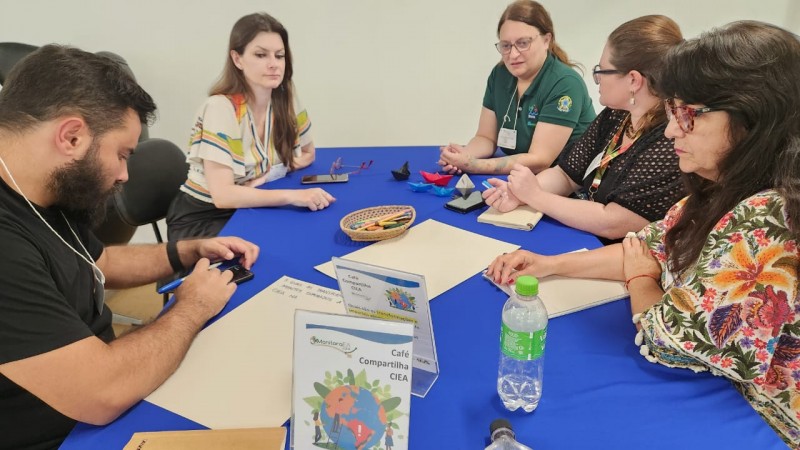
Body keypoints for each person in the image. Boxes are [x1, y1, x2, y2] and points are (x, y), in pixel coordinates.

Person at [487, 21, 800, 446]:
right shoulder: (724, 183)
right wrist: (549, 264)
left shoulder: (768, 214)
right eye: (674, 112)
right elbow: (648, 246)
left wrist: (639, 278)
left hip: (765, 423)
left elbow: (667, 338)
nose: (672, 130)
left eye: (688, 114)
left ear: (753, 117)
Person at [0, 45, 260, 449]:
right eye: (121, 155)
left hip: (102, 388)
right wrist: (191, 307)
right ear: (71, 136)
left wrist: (185, 252)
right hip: (70, 429)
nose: (124, 174)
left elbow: (97, 260)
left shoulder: (38, 181)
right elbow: (100, 392)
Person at [483, 15, 685, 243]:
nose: (597, 77)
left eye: (603, 70)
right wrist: (518, 193)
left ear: (633, 81)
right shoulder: (617, 115)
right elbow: (566, 175)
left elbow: (614, 222)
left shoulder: (671, 140)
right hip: (584, 235)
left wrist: (536, 196)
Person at [167, 12, 334, 241]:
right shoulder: (220, 108)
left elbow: (308, 153)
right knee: (278, 245)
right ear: (237, 59)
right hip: (204, 218)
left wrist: (266, 177)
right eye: (260, 55)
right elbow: (223, 196)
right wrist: (293, 196)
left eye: (279, 55)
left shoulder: (285, 97)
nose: (273, 64)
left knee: (306, 233)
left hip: (249, 203)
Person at [438, 0, 595, 176]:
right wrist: (464, 155)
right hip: (520, 175)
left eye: (523, 43)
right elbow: (486, 138)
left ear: (546, 40)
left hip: (568, 181)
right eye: (506, 45)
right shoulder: (499, 74)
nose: (512, 54)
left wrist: (474, 165)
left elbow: (540, 160)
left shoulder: (565, 83)